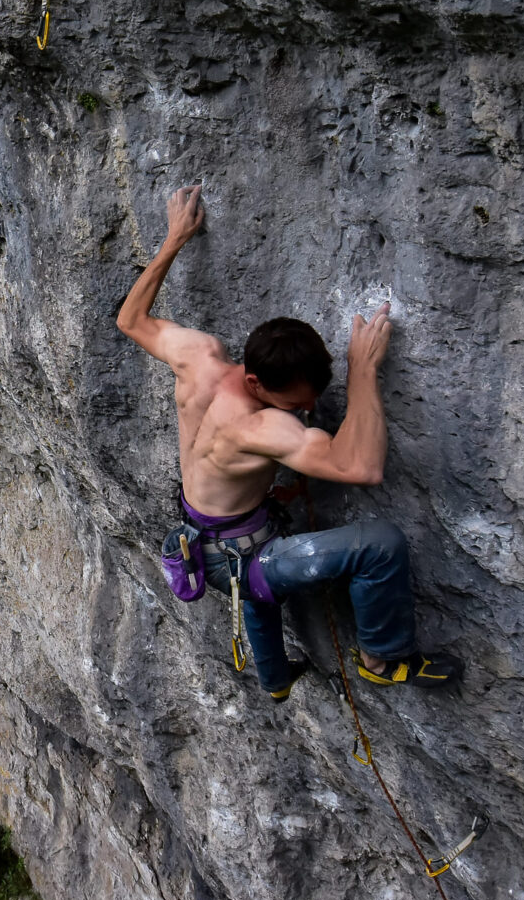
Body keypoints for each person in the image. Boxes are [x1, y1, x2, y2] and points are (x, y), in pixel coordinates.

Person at [116, 184, 462, 699]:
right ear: (256, 384)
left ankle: (275, 680)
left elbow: (131, 320)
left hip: (207, 530)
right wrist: (363, 371)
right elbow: (362, 467)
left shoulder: (199, 357)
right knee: (379, 546)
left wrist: (175, 238)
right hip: (237, 554)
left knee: (251, 573)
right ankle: (383, 659)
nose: (304, 411)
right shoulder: (261, 429)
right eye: (293, 404)